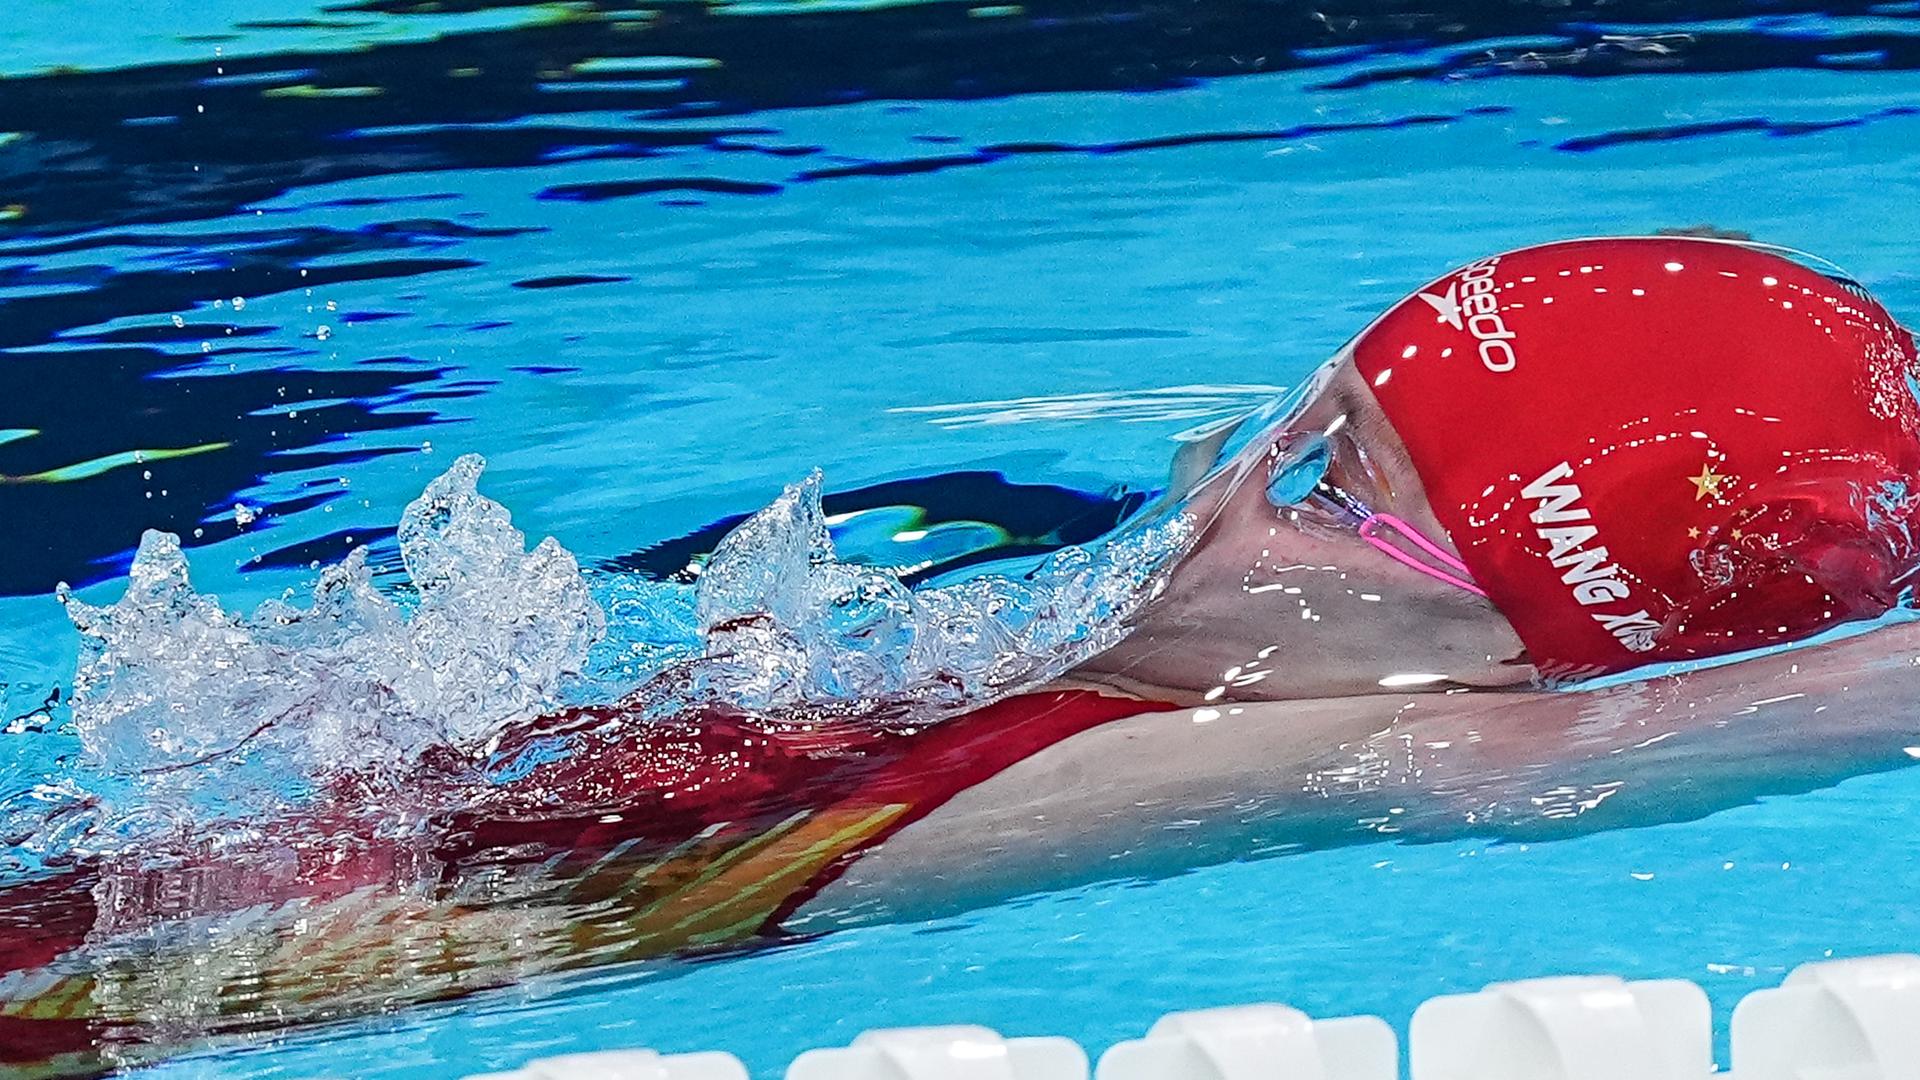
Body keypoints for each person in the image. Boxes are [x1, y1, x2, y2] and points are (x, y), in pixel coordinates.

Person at [7, 236, 1920, 1078]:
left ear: (1514, 653)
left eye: (1335, 486)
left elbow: (1793, 707)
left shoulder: (1323, 752)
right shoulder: (1085, 638)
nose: (1225, 478)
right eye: (1305, 413)